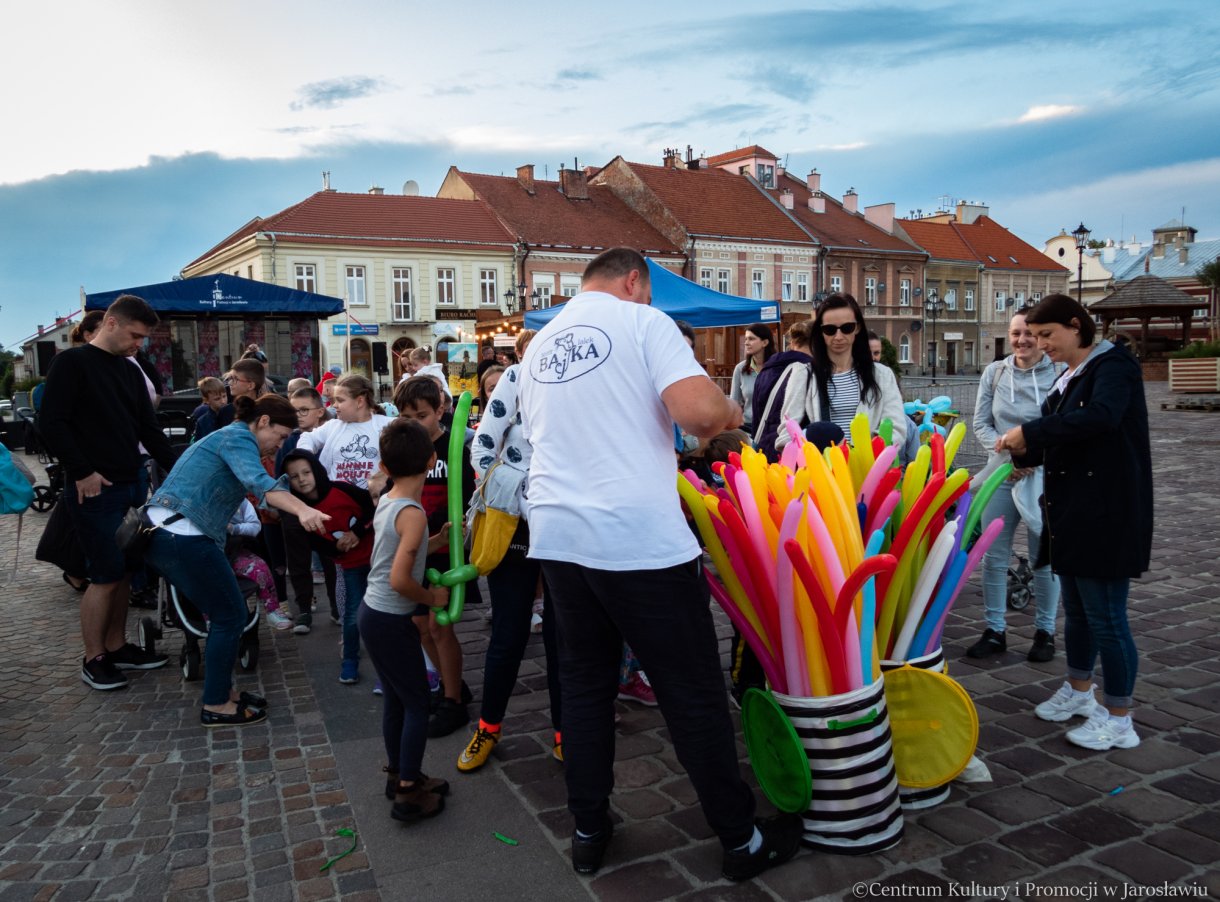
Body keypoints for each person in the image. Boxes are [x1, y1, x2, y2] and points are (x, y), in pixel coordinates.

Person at [518, 248, 801, 881]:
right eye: (648, 293)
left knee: (585, 688)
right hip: (637, 537)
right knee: (692, 692)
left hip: (560, 535)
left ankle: (588, 829)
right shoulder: (644, 321)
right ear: (634, 281)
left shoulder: (541, 344)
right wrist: (731, 413)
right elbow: (700, 415)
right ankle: (740, 839)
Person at [997, 294, 1152, 752]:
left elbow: (1100, 418)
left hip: (1106, 513)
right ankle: (1080, 690)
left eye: (1047, 334)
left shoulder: (1113, 366)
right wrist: (1021, 450)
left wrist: (1031, 433)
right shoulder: (1069, 376)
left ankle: (1120, 718)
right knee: (1080, 613)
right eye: (1034, 335)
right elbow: (1057, 436)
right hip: (1071, 513)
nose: (1040, 344)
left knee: (1108, 617)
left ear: (1075, 325)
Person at [143, 393, 329, 725]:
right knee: (229, 616)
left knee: (229, 615)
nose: (279, 445)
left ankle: (223, 693)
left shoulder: (232, 437)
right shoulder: (238, 437)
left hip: (179, 534)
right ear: (263, 422)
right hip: (181, 536)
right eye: (280, 436)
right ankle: (216, 704)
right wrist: (303, 510)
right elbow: (260, 484)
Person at [39, 295, 179, 691]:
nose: (139, 344)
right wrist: (82, 471)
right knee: (104, 574)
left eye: (143, 338)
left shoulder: (130, 371)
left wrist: (180, 468)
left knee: (126, 571)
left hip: (131, 481)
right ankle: (94, 658)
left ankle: (117, 647)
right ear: (111, 323)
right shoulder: (72, 363)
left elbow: (148, 429)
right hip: (95, 488)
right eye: (135, 335)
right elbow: (52, 423)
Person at [457, 329, 564, 772]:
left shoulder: (581, 382)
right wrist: (517, 492)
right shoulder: (516, 377)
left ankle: (566, 730)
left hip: (566, 521)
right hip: (516, 520)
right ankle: (488, 726)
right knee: (509, 631)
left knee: (563, 634)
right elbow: (483, 447)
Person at [358, 418, 450, 822]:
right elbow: (399, 579)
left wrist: (437, 542)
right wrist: (431, 597)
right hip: (390, 620)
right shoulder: (413, 514)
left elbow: (396, 553)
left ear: (384, 465)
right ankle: (409, 792)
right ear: (431, 460)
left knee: (397, 699)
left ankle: (399, 773)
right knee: (416, 704)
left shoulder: (389, 499)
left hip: (372, 615)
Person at [968, 309, 1062, 662]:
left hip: (1044, 477)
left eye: (1028, 333)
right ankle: (995, 630)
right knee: (994, 556)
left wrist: (1032, 456)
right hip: (1002, 474)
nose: (1021, 340)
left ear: (1040, 336)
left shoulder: (1059, 374)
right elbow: (981, 423)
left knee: (1044, 558)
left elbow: (1063, 425)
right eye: (1015, 333)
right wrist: (1009, 457)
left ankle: (1045, 632)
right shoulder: (995, 373)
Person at [394, 376, 475, 738]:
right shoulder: (403, 449)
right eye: (406, 417)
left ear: (440, 410)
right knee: (420, 625)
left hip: (445, 550)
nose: (414, 423)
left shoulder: (454, 449)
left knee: (441, 625)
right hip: (416, 547)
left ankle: (453, 701)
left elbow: (468, 497)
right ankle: (450, 683)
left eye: (421, 416)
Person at [282, 449, 375, 684]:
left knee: (385, 613)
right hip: (351, 564)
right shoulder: (299, 510)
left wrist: (357, 532)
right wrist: (336, 549)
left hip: (379, 558)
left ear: (316, 470)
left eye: (306, 472)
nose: (302, 479)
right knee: (352, 615)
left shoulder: (341, 489)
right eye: (294, 476)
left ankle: (388, 666)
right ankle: (350, 660)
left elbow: (374, 509)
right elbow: (314, 543)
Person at [774, 293, 905, 454]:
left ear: (857, 327)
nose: (838, 336)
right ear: (821, 331)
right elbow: (787, 430)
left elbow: (896, 428)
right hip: (819, 466)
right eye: (829, 330)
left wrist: (864, 455)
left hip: (869, 465)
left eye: (846, 328)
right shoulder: (803, 374)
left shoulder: (881, 375)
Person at [278, 387, 336, 633]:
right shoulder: (289, 440)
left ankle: (336, 606)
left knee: (331, 560)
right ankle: (303, 609)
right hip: (294, 508)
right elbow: (279, 476)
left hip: (326, 506)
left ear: (320, 411)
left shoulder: (331, 436)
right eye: (294, 411)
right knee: (298, 561)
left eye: (304, 410)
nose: (298, 416)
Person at [751, 319, 814, 462]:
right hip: (793, 450)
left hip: (764, 447)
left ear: (792, 342)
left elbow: (757, 416)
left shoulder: (767, 369)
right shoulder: (807, 370)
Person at [226, 499, 294, 630]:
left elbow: (254, 526)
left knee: (260, 568)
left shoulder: (240, 501)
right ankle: (209, 618)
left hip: (234, 551)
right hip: (206, 553)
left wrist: (233, 528)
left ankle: (272, 610)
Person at [729, 322, 774, 439]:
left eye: (751, 339)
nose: (746, 343)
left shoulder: (777, 367)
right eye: (746, 339)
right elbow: (734, 402)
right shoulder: (740, 369)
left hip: (773, 428)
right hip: (748, 428)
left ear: (765, 342)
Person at [191, 377, 227, 443]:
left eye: (224, 396)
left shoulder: (234, 414)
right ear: (206, 400)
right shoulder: (202, 422)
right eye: (217, 399)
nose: (223, 401)